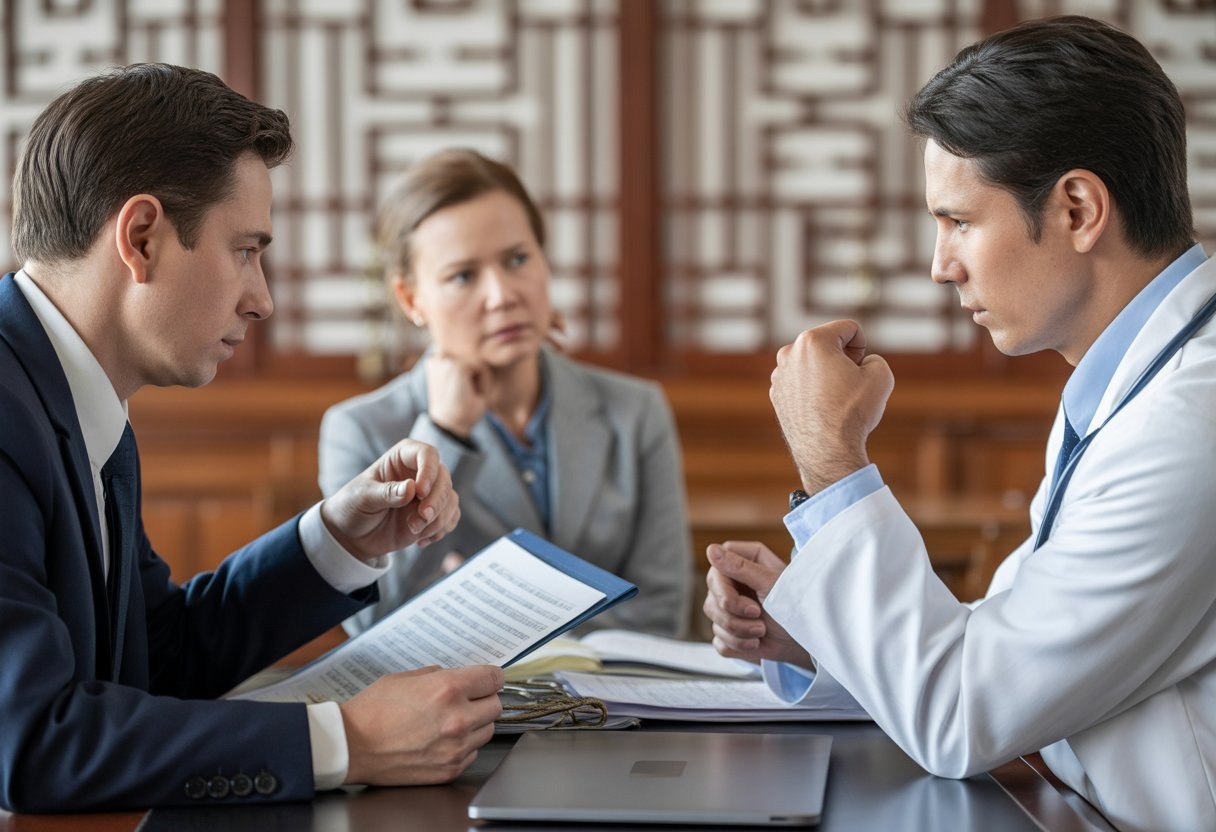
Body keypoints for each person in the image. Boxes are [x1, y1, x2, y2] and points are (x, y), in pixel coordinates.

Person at [704, 16, 1214, 832]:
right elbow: (1009, 645)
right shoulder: (1135, 381)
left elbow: (962, 712)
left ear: (1079, 208)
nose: (942, 265)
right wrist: (812, 636)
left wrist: (832, 461)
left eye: (960, 222)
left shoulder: (1188, 427)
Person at [0, 64, 505, 813]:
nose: (262, 297)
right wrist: (346, 741)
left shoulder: (72, 400)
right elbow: (33, 741)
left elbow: (157, 656)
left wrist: (342, 536)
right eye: (246, 250)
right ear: (141, 237)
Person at [319, 148, 692, 638]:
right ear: (412, 299)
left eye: (518, 259)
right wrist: (446, 433)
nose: (502, 295)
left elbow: (663, 612)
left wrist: (484, 617)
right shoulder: (364, 430)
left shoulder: (635, 411)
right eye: (463, 276)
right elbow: (372, 624)